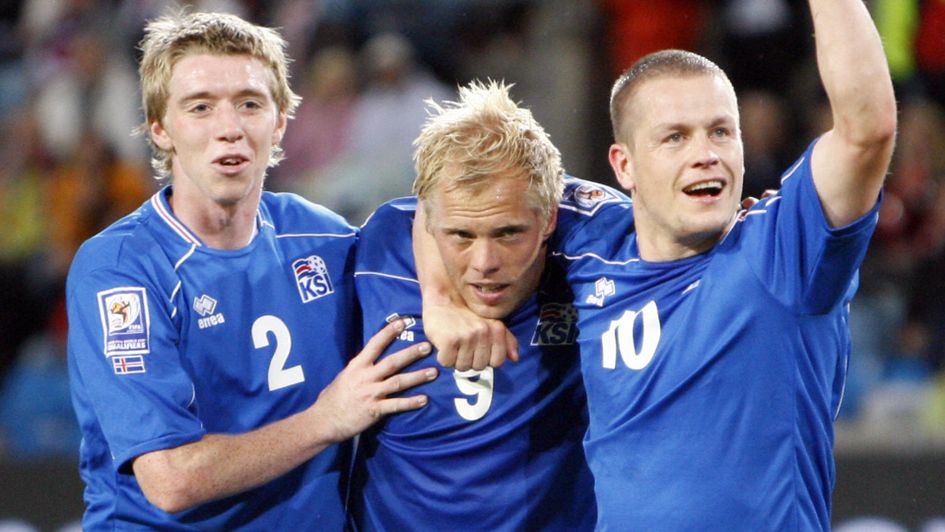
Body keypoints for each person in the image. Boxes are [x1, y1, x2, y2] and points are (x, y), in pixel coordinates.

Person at [420, 1, 896, 529]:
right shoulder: (588, 236)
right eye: (676, 137)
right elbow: (439, 196)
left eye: (721, 132)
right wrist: (439, 303)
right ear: (624, 165)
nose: (706, 154)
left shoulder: (784, 253)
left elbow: (865, 131)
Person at [66, 12, 436, 530]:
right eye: (200, 108)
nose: (230, 128)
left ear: (280, 120)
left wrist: (460, 311)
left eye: (250, 104)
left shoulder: (327, 239)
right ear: (160, 128)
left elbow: (445, 260)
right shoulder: (122, 270)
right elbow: (171, 480)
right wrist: (326, 420)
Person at [349, 80, 601, 530]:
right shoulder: (379, 249)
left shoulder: (595, 244)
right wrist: (438, 298)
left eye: (508, 234)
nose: (485, 264)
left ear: (549, 218)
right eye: (461, 237)